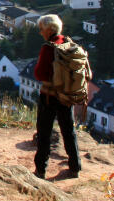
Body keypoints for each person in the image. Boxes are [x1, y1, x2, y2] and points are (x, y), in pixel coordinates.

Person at [32, 14, 81, 179]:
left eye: (41, 29)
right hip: (67, 95)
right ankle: (75, 167)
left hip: (50, 96)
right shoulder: (69, 43)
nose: (40, 33)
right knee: (68, 130)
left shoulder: (48, 47)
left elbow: (40, 74)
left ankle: (40, 170)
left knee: (44, 133)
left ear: (49, 30)